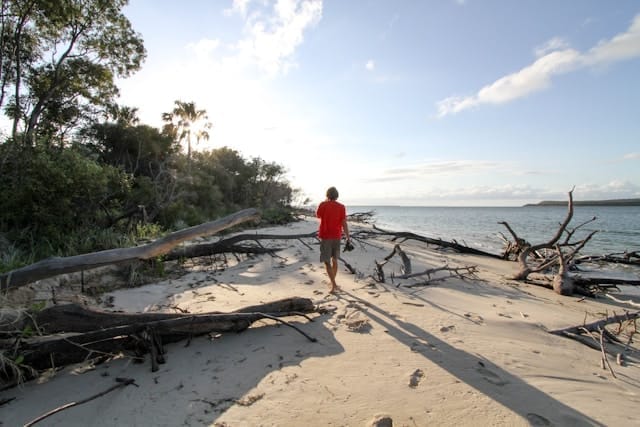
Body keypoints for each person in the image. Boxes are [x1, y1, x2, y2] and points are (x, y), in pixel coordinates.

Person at [316, 186, 350, 293]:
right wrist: (348, 236)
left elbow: (318, 215)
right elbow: (344, 222)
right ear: (337, 195)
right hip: (337, 235)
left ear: (327, 195)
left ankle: (333, 284)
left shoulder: (323, 205)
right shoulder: (341, 207)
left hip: (326, 236)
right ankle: (333, 282)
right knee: (334, 260)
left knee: (327, 261)